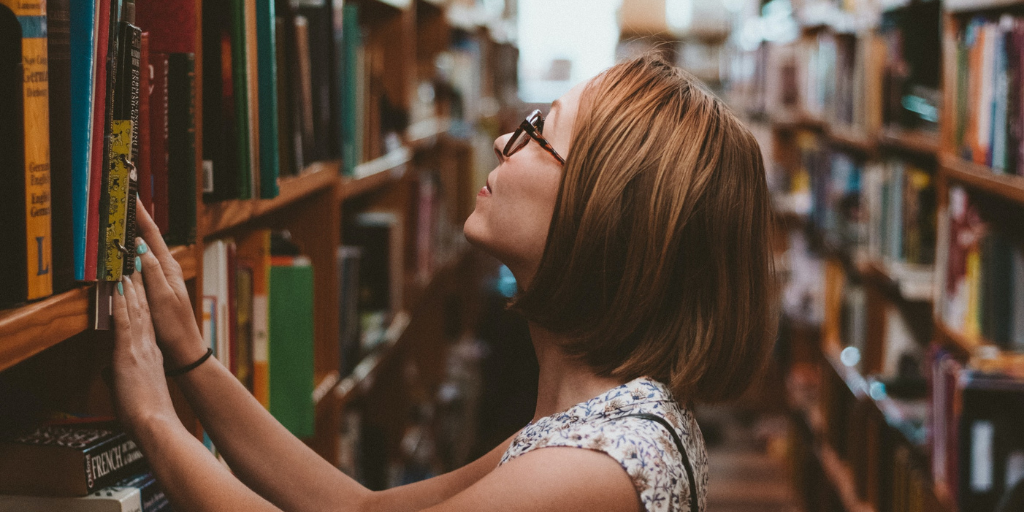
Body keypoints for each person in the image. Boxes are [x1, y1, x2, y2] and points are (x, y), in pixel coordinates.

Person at [111, 54, 776, 512]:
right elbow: (358, 506)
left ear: (600, 213)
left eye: (536, 130)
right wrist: (193, 361)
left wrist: (152, 419)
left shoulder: (593, 468)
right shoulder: (595, 422)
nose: (503, 144)